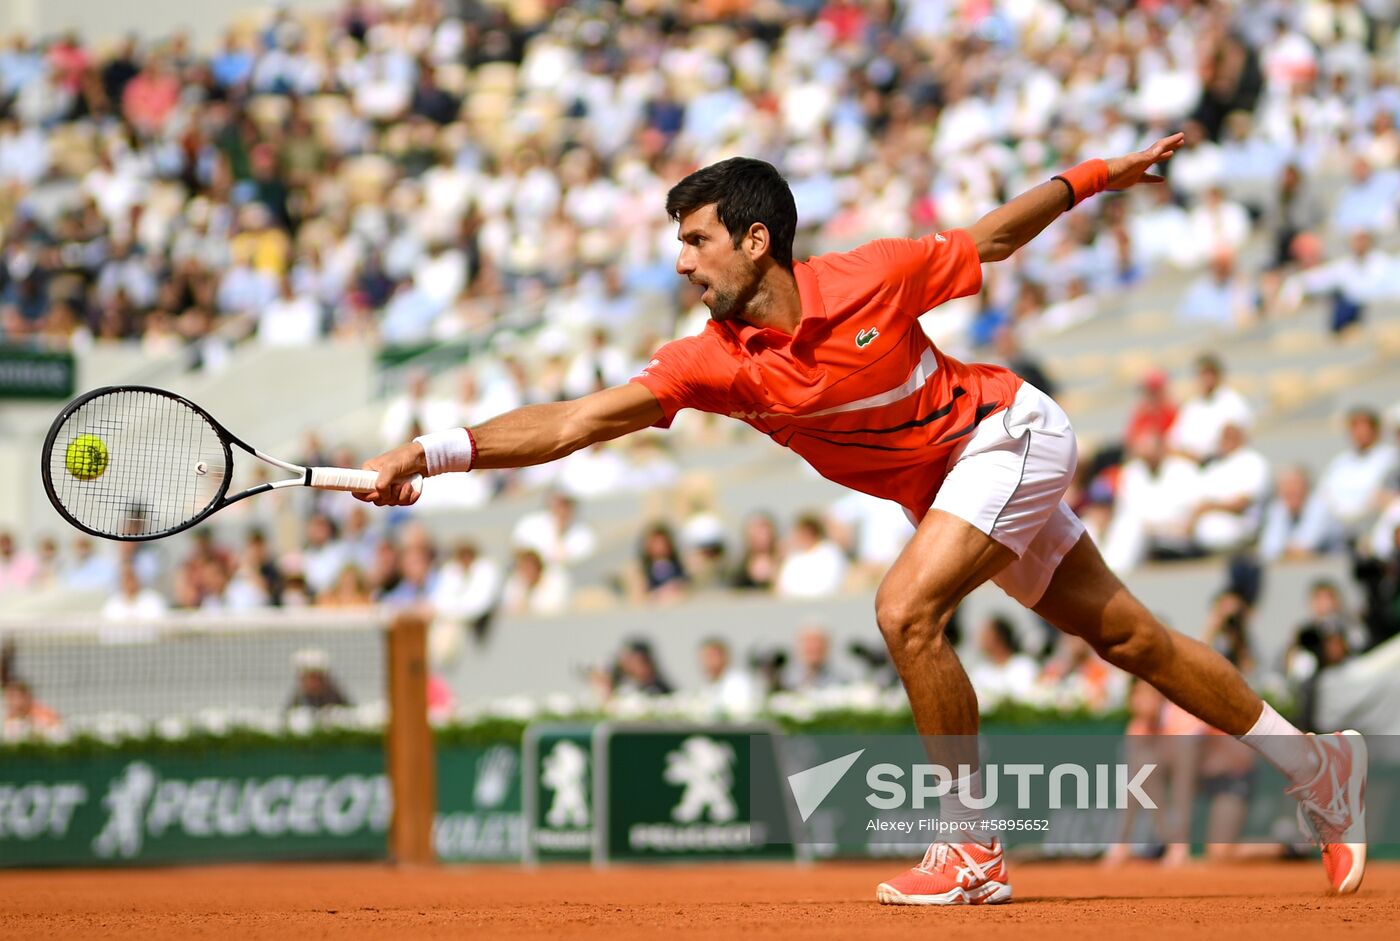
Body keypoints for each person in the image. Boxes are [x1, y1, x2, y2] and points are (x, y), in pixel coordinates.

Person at [359, 145, 1366, 902]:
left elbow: (996, 236)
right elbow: (574, 419)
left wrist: (1100, 174)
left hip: (1008, 431)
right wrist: (433, 450)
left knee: (904, 610)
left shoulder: (871, 275)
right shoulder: (708, 360)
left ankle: (970, 846)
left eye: (694, 239)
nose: (679, 262)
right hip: (950, 487)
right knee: (1126, 636)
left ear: (756, 241)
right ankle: (1315, 763)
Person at [286, 649, 351, 711]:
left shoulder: (334, 696)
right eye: (307, 678)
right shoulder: (299, 699)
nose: (311, 683)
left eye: (314, 678)